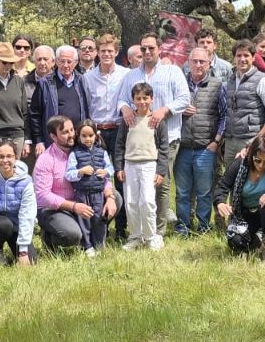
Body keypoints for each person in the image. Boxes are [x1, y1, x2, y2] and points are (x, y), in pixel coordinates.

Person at [116, 33, 190, 231]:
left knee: (161, 184)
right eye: (143, 49)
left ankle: (158, 229)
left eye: (151, 48)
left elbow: (184, 99)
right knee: (138, 186)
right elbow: (122, 99)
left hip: (167, 136)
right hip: (138, 140)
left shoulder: (172, 72)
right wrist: (124, 108)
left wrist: (164, 110)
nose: (147, 52)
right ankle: (139, 228)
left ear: (160, 49)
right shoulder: (131, 75)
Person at [33, 116, 117, 250]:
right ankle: (50, 237)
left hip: (85, 199)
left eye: (72, 130)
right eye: (65, 132)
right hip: (56, 209)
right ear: (53, 137)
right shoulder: (46, 159)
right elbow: (43, 195)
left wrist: (110, 197)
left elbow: (101, 178)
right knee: (72, 234)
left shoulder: (83, 149)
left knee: (115, 197)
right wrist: (74, 206)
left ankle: (95, 237)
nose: (71, 135)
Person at [175, 46, 226, 235]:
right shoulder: (179, 84)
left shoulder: (217, 85)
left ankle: (204, 227)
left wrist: (216, 141)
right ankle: (182, 227)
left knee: (204, 192)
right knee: (182, 192)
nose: (198, 65)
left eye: (202, 61)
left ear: (209, 63)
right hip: (183, 147)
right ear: (188, 63)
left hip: (206, 148)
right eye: (194, 61)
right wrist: (179, 109)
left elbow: (224, 116)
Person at [115, 83, 171, 251]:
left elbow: (164, 148)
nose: (142, 102)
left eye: (146, 98)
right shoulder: (128, 121)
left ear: (152, 99)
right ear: (133, 100)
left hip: (149, 165)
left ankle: (151, 236)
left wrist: (161, 171)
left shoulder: (157, 121)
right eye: (138, 98)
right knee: (131, 202)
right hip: (130, 165)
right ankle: (135, 236)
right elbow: (119, 145)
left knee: (146, 201)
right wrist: (119, 167)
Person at [220, 40, 265, 173]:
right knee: (230, 179)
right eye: (239, 55)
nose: (242, 59)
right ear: (234, 58)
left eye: (246, 55)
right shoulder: (230, 80)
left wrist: (256, 141)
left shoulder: (263, 81)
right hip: (230, 140)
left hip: (251, 139)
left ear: (253, 57)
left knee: (250, 180)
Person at [81, 33, 130, 189]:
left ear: (116, 52)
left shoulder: (126, 75)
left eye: (110, 51)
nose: (106, 54)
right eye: (103, 51)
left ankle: (122, 213)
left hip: (119, 130)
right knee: (97, 174)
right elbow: (86, 106)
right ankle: (100, 211)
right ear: (97, 53)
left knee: (121, 173)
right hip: (97, 132)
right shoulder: (88, 78)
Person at [0, 139, 37, 268]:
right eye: (1, 157)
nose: (5, 160)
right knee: (3, 224)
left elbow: (27, 216)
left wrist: (23, 252)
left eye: (9, 156)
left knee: (31, 262)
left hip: (18, 225)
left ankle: (17, 247)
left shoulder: (26, 182)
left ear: (16, 158)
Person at [66, 119, 116, 255]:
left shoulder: (102, 152)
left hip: (98, 192)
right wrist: (80, 171)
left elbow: (111, 168)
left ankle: (99, 245)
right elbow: (69, 174)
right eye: (84, 136)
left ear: (96, 135)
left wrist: (106, 172)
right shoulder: (74, 153)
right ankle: (87, 246)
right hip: (82, 192)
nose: (87, 139)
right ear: (78, 136)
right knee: (84, 219)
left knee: (98, 219)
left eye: (90, 135)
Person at [27, 46, 87, 151]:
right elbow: (35, 114)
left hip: (78, 140)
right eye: (62, 61)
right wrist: (39, 141)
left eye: (69, 62)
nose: (65, 65)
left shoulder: (82, 81)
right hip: (54, 140)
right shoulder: (45, 83)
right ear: (56, 62)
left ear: (76, 62)